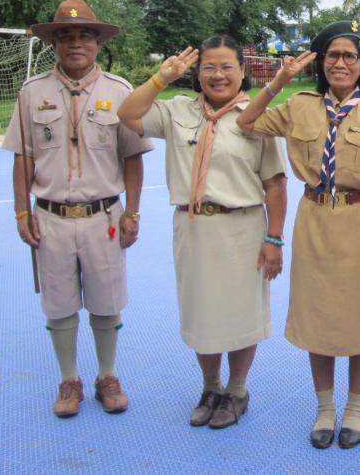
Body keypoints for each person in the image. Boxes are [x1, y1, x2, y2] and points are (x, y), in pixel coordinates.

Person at [236, 21, 360, 450]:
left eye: (350, 56)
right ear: (322, 63)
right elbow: (246, 120)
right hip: (313, 219)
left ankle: (354, 406)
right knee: (317, 317)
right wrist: (278, 81)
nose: (340, 63)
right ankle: (325, 408)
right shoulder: (300, 105)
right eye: (333, 55)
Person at [116, 35, 287, 429]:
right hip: (193, 227)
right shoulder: (177, 110)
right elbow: (128, 114)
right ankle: (211, 387)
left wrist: (274, 239)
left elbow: (275, 185)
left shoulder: (256, 117)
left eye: (227, 66)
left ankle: (237, 390)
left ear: (242, 71)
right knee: (201, 312)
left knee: (242, 313)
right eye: (209, 66)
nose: (218, 75)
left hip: (243, 227)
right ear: (197, 73)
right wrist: (161, 78)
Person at [4, 0, 153, 417]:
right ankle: (69, 379)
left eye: (84, 35)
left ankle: (107, 375)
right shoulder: (31, 93)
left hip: (103, 216)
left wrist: (133, 212)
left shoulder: (120, 92)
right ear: (53, 43)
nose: (75, 43)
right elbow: (23, 157)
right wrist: (21, 212)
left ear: (98, 43)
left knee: (107, 301)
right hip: (50, 217)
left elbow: (132, 157)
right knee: (59, 303)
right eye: (65, 36)